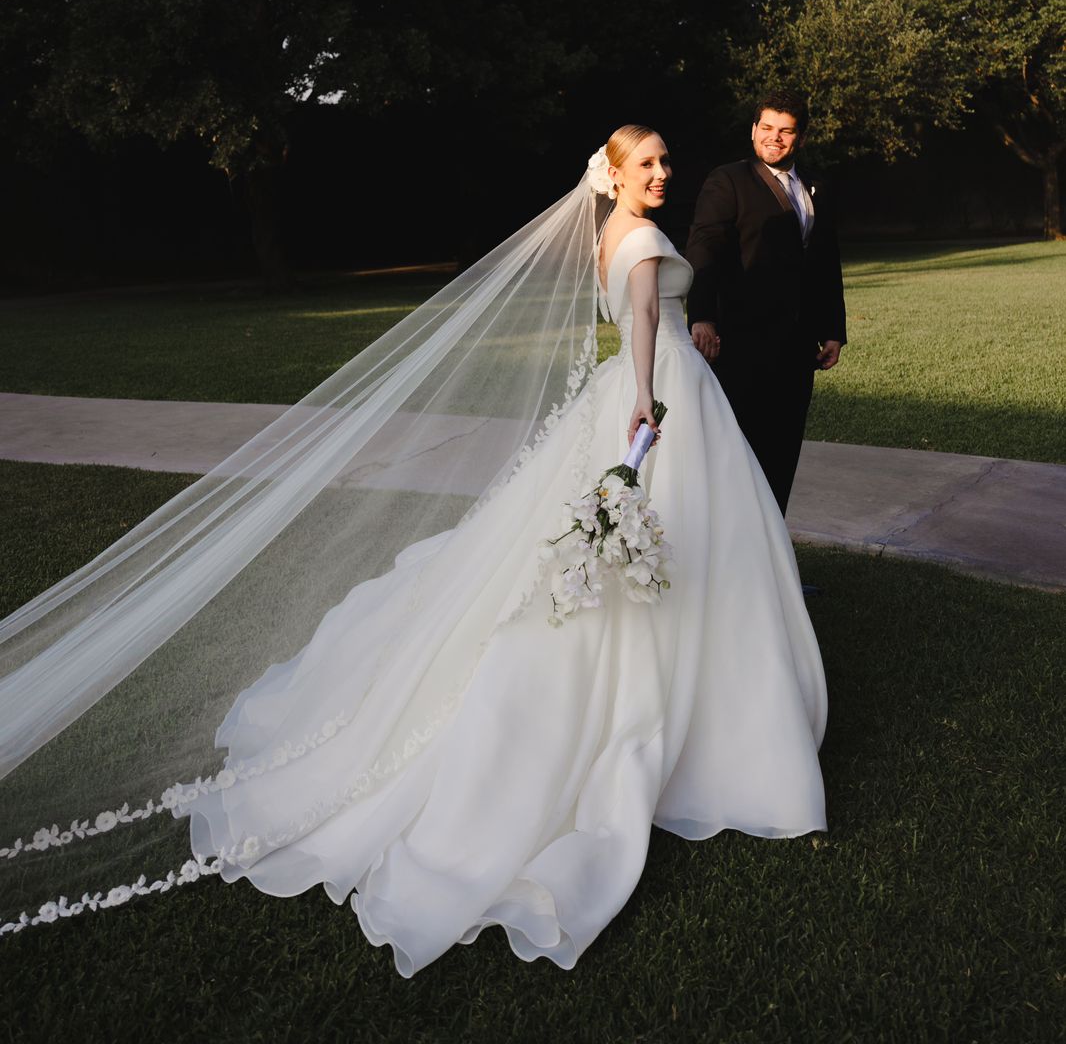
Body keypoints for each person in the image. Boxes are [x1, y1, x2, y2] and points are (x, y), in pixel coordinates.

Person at [0, 126, 826, 973]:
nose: (662, 173)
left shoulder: (608, 234)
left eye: (663, 161)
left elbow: (638, 311)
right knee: (687, 551)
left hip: (638, 383)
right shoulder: (645, 236)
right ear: (613, 174)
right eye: (645, 163)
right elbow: (647, 315)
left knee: (638, 550)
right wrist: (649, 403)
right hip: (656, 397)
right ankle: (711, 715)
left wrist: (661, 364)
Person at [686, 93, 847, 518]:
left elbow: (826, 261)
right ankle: (732, 562)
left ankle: (772, 568)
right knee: (740, 455)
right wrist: (701, 316)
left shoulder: (816, 186)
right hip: (740, 345)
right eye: (767, 128)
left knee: (783, 454)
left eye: (785, 130)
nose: (774, 138)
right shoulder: (728, 181)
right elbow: (705, 250)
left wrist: (832, 328)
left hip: (796, 349)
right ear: (753, 130)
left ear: (801, 137)